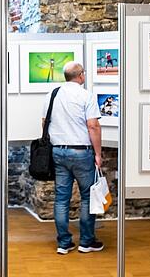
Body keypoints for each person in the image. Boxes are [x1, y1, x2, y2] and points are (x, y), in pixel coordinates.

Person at [41, 61, 104, 255]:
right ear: (81, 75)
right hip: (81, 152)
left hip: (58, 151)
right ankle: (86, 242)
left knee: (61, 199)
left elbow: (44, 122)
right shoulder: (86, 95)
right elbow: (93, 125)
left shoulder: (53, 95)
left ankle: (64, 243)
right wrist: (98, 154)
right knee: (87, 197)